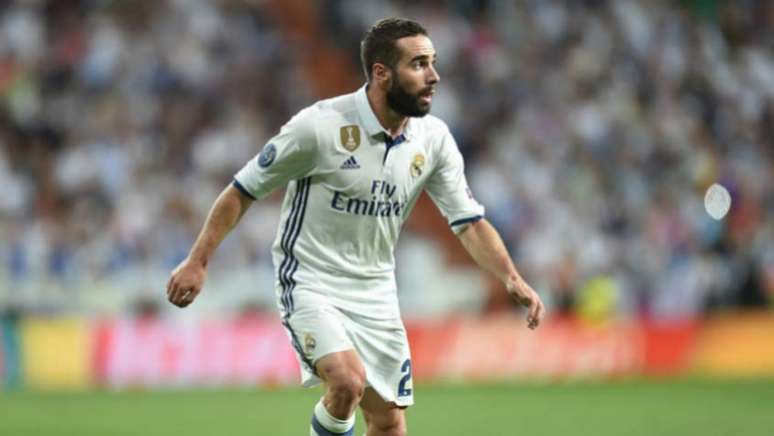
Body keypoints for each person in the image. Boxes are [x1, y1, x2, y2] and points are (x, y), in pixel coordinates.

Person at [167, 17, 545, 436]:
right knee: (346, 381)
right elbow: (243, 190)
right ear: (382, 73)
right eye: (419, 64)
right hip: (311, 279)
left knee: (388, 422)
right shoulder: (320, 126)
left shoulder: (433, 139)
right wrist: (198, 260)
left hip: (376, 290)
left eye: (433, 63)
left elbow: (469, 223)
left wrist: (510, 276)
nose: (434, 76)